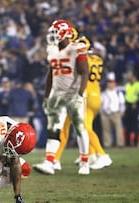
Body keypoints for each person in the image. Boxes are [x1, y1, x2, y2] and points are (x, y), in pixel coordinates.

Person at [33, 20, 90, 175]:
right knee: (53, 130)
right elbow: (50, 74)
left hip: (73, 94)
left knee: (79, 128)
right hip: (57, 96)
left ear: (64, 32)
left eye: (55, 32)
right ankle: (49, 162)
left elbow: (85, 71)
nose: (52, 35)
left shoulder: (76, 48)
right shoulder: (51, 50)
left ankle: (85, 162)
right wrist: (46, 96)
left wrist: (79, 93)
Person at [53, 36, 112, 171]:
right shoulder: (97, 59)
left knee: (84, 128)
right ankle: (91, 155)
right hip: (97, 95)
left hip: (86, 95)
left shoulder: (82, 60)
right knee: (85, 127)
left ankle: (102, 154)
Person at [101, 72, 125, 148]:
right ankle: (107, 144)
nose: (111, 84)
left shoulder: (118, 93)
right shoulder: (103, 93)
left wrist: (121, 112)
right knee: (106, 130)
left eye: (112, 82)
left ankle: (120, 144)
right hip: (105, 114)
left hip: (116, 113)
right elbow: (101, 104)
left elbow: (122, 103)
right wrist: (101, 112)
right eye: (109, 82)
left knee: (119, 129)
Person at [124, 70, 139, 146]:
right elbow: (126, 96)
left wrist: (137, 103)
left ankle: (136, 142)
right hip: (128, 107)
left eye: (131, 76)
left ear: (134, 77)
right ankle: (127, 143)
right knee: (128, 126)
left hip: (135, 107)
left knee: (135, 126)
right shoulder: (127, 85)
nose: (129, 77)